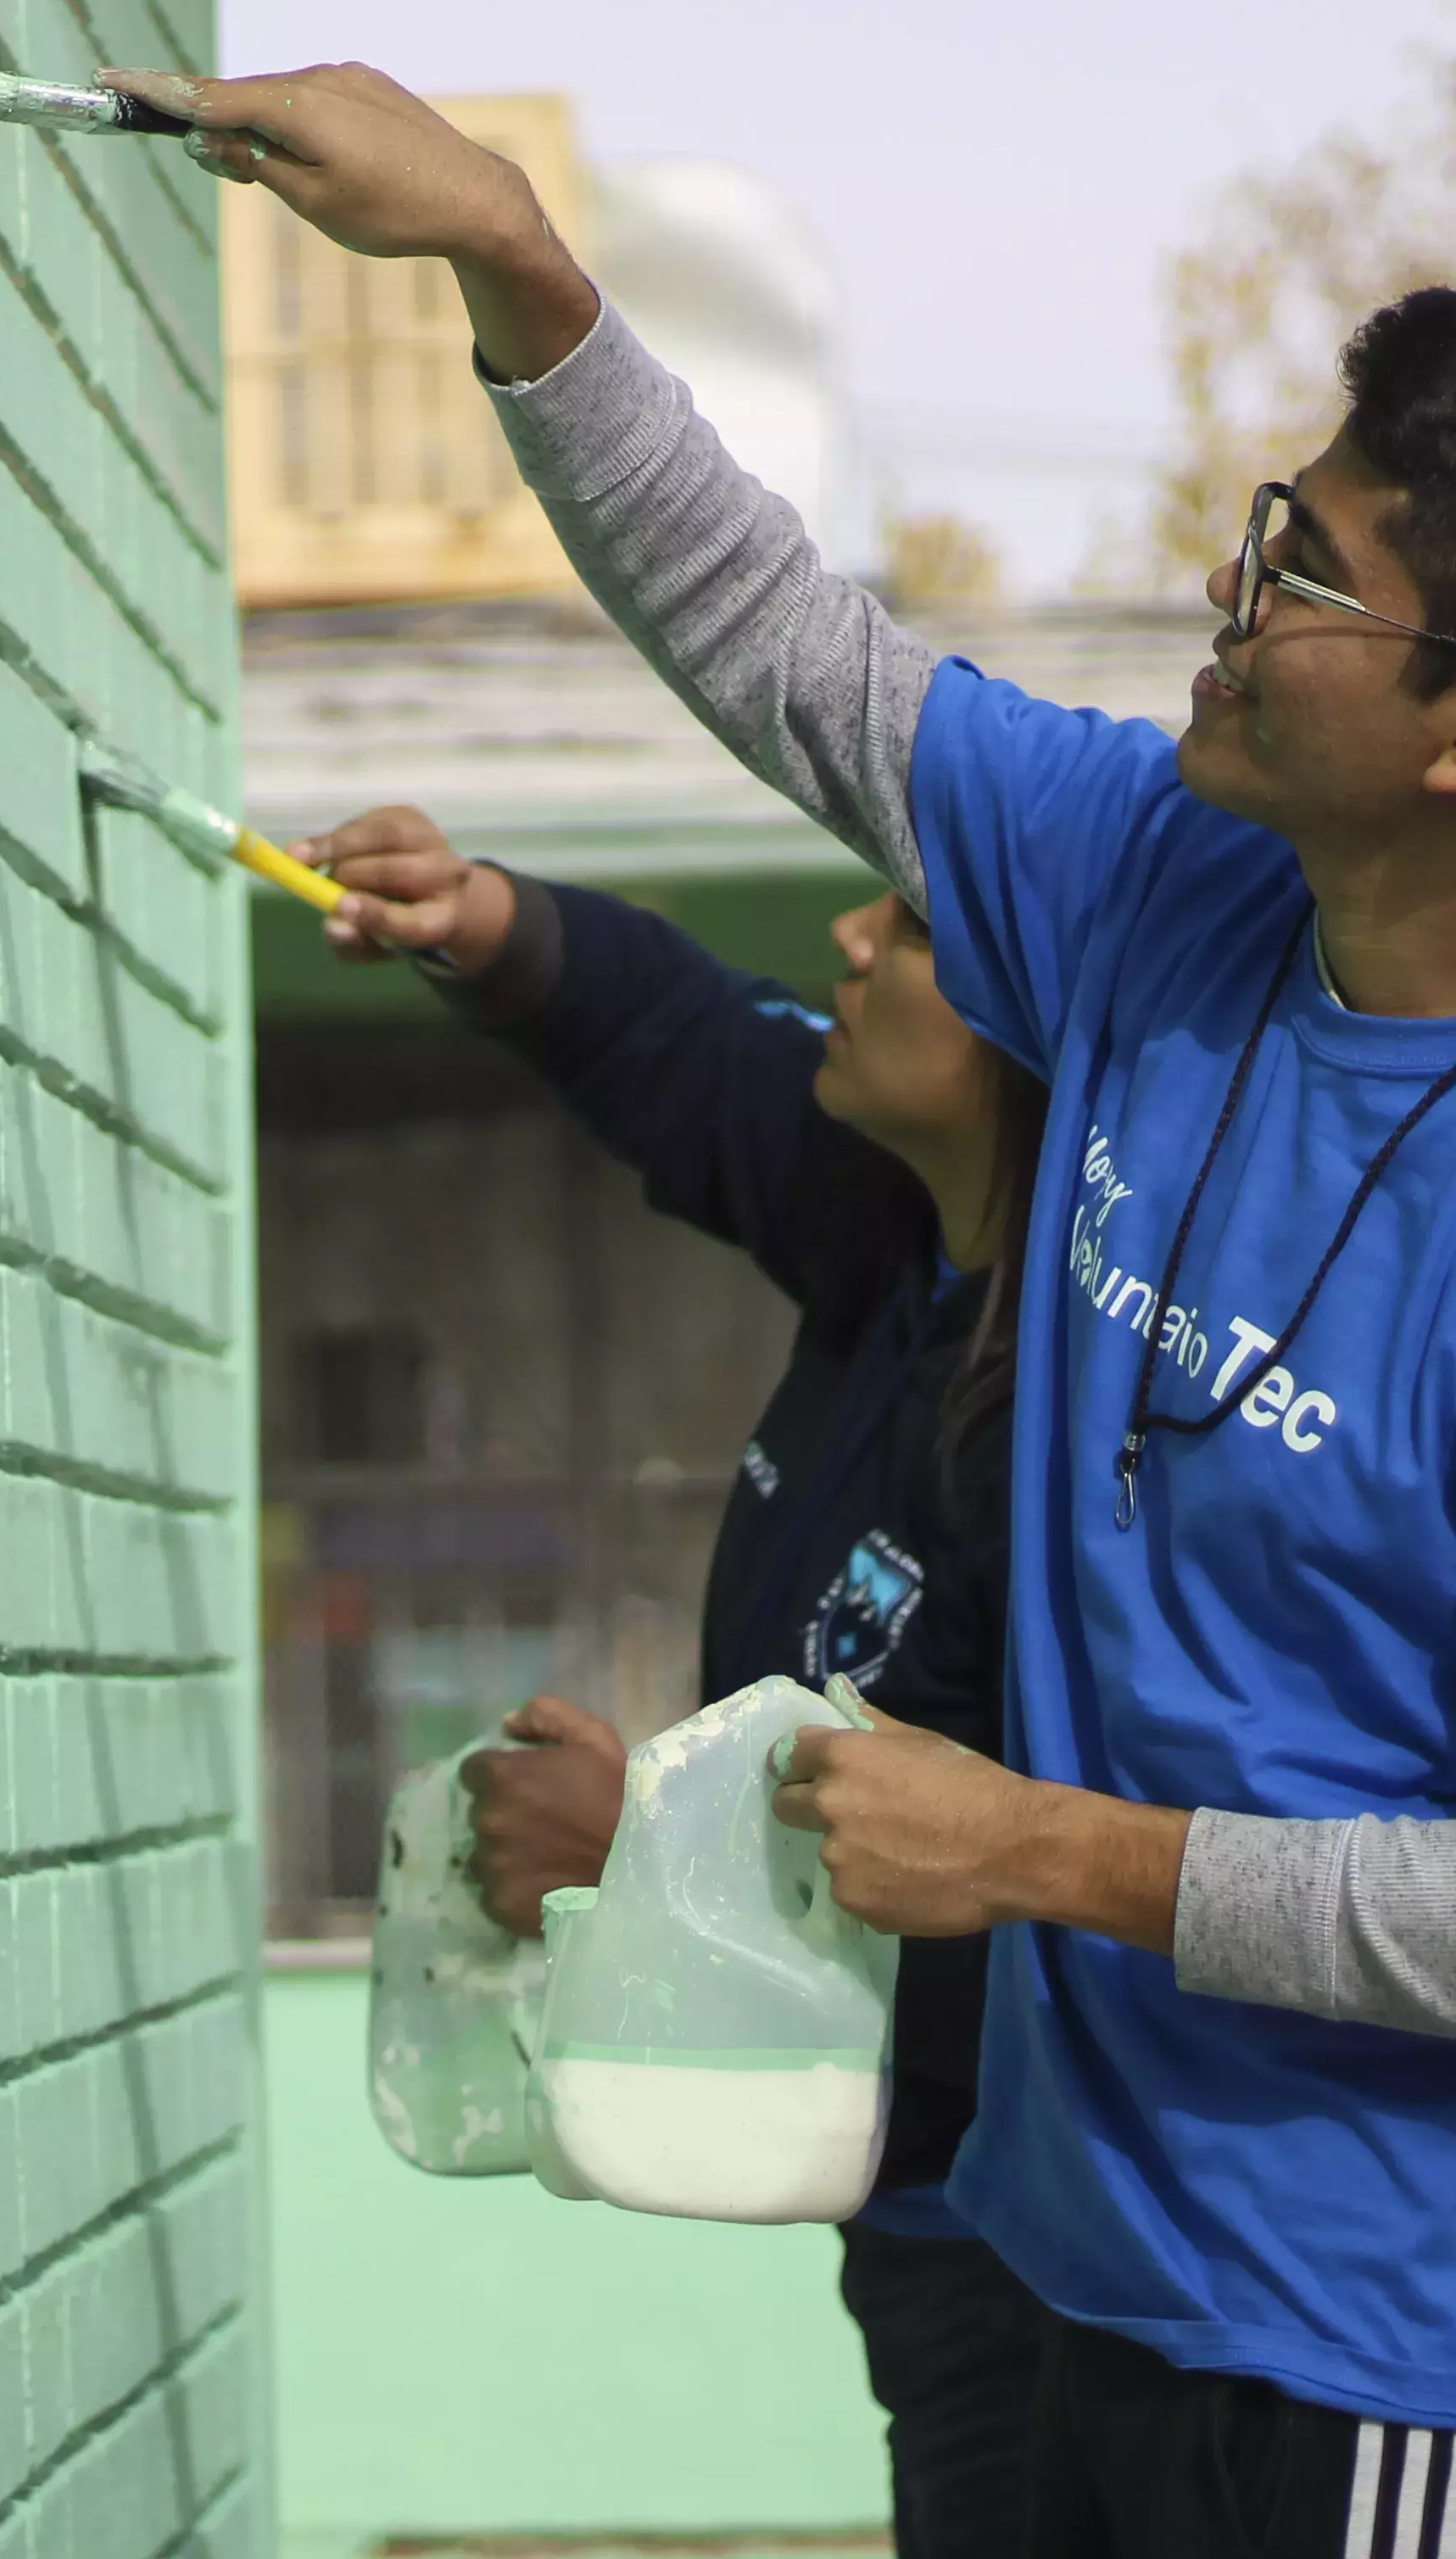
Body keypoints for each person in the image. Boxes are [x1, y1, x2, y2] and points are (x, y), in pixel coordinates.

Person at [128, 59, 1456, 2559]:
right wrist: (518, 264)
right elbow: (789, 651)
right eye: (1281, 525)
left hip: (1365, 2368)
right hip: (1054, 2263)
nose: (1239, 602)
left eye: (1320, 581)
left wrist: (1047, 1852)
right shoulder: (1183, 893)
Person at [298, 801, 1049, 2559]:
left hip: (1055, 2265)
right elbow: (698, 1048)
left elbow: (1021, 1868)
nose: (852, 944)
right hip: (935, 2228)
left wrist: (639, 1858)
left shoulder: (1070, 1433)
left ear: (1052, 1035)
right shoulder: (905, 1235)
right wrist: (493, 923)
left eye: (919, 935)